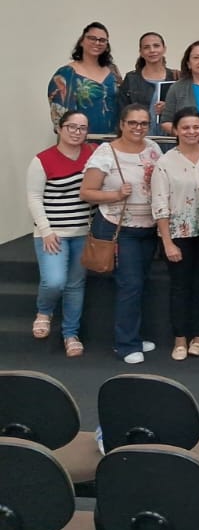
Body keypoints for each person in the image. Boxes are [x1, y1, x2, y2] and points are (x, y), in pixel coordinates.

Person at [81, 105, 163, 362]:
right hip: (118, 228)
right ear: (122, 124)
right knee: (130, 285)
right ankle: (125, 344)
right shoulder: (105, 153)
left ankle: (133, 336)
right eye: (133, 123)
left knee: (140, 284)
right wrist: (116, 194)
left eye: (143, 123)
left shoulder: (153, 148)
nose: (138, 128)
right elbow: (86, 192)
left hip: (148, 228)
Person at [152, 109, 199, 361]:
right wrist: (167, 242)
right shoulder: (165, 162)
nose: (191, 132)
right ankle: (180, 338)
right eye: (185, 127)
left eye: (196, 127)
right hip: (177, 234)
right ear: (176, 130)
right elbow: (159, 204)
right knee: (180, 287)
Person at [27, 111, 92, 356]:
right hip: (53, 233)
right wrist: (46, 230)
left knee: (75, 284)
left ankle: (70, 334)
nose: (77, 132)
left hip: (84, 232)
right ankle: (44, 311)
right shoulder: (42, 160)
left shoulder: (93, 154)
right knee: (54, 281)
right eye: (71, 127)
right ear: (59, 128)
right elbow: (34, 198)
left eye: (82, 128)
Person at [49, 22, 119, 135]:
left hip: (112, 140)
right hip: (78, 139)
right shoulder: (66, 74)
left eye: (102, 40)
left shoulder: (113, 72)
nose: (97, 42)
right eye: (92, 38)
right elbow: (59, 116)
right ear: (81, 41)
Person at [118, 32, 176, 127]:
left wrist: (169, 109)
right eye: (146, 47)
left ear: (164, 49)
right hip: (138, 132)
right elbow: (122, 111)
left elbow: (185, 110)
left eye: (156, 46)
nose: (152, 50)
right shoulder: (131, 79)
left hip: (169, 133)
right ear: (141, 52)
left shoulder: (175, 77)